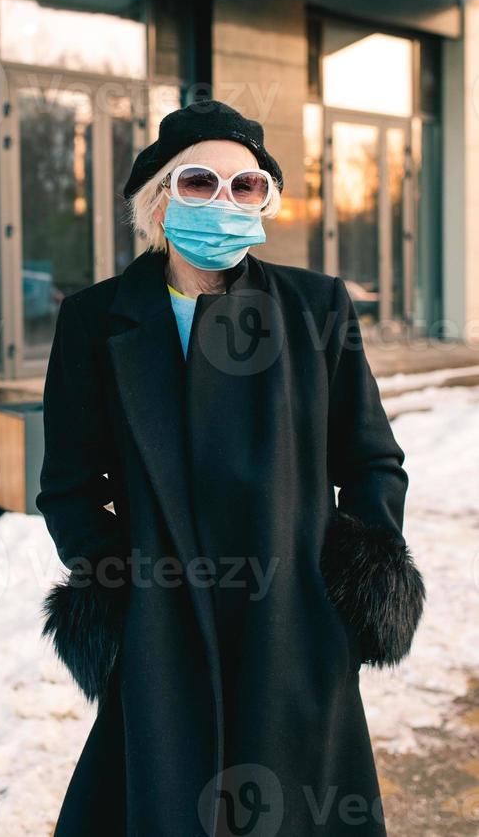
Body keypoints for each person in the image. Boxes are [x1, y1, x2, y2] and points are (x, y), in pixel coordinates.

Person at [35, 99, 426, 837]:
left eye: (244, 186)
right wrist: (120, 590)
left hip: (292, 624)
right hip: (160, 633)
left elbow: (371, 458)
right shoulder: (94, 319)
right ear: (157, 199)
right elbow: (68, 487)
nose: (223, 200)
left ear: (265, 203)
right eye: (198, 182)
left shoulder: (316, 306)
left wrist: (344, 587)